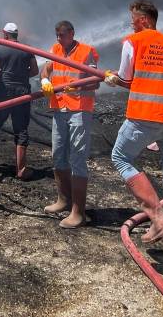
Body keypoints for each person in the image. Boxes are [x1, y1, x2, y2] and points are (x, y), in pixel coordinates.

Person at [105, 0, 163, 264]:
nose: (130, 24)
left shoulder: (134, 42)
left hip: (143, 117)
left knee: (120, 157)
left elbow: (126, 79)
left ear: (143, 20)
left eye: (132, 19)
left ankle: (157, 217)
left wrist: (112, 79)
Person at [39, 20, 100, 229]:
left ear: (72, 33)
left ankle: (78, 212)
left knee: (77, 157)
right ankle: (63, 200)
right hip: (59, 109)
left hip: (79, 110)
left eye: (62, 34)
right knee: (58, 154)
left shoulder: (86, 51)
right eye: (57, 35)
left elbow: (96, 81)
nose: (59, 39)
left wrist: (79, 86)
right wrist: (45, 81)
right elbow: (46, 70)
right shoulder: (55, 49)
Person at [0, 22, 39, 179]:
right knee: (20, 130)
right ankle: (21, 169)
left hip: (2, 92)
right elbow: (34, 71)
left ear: (5, 34)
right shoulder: (28, 50)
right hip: (22, 93)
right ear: (17, 34)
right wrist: (20, 77)